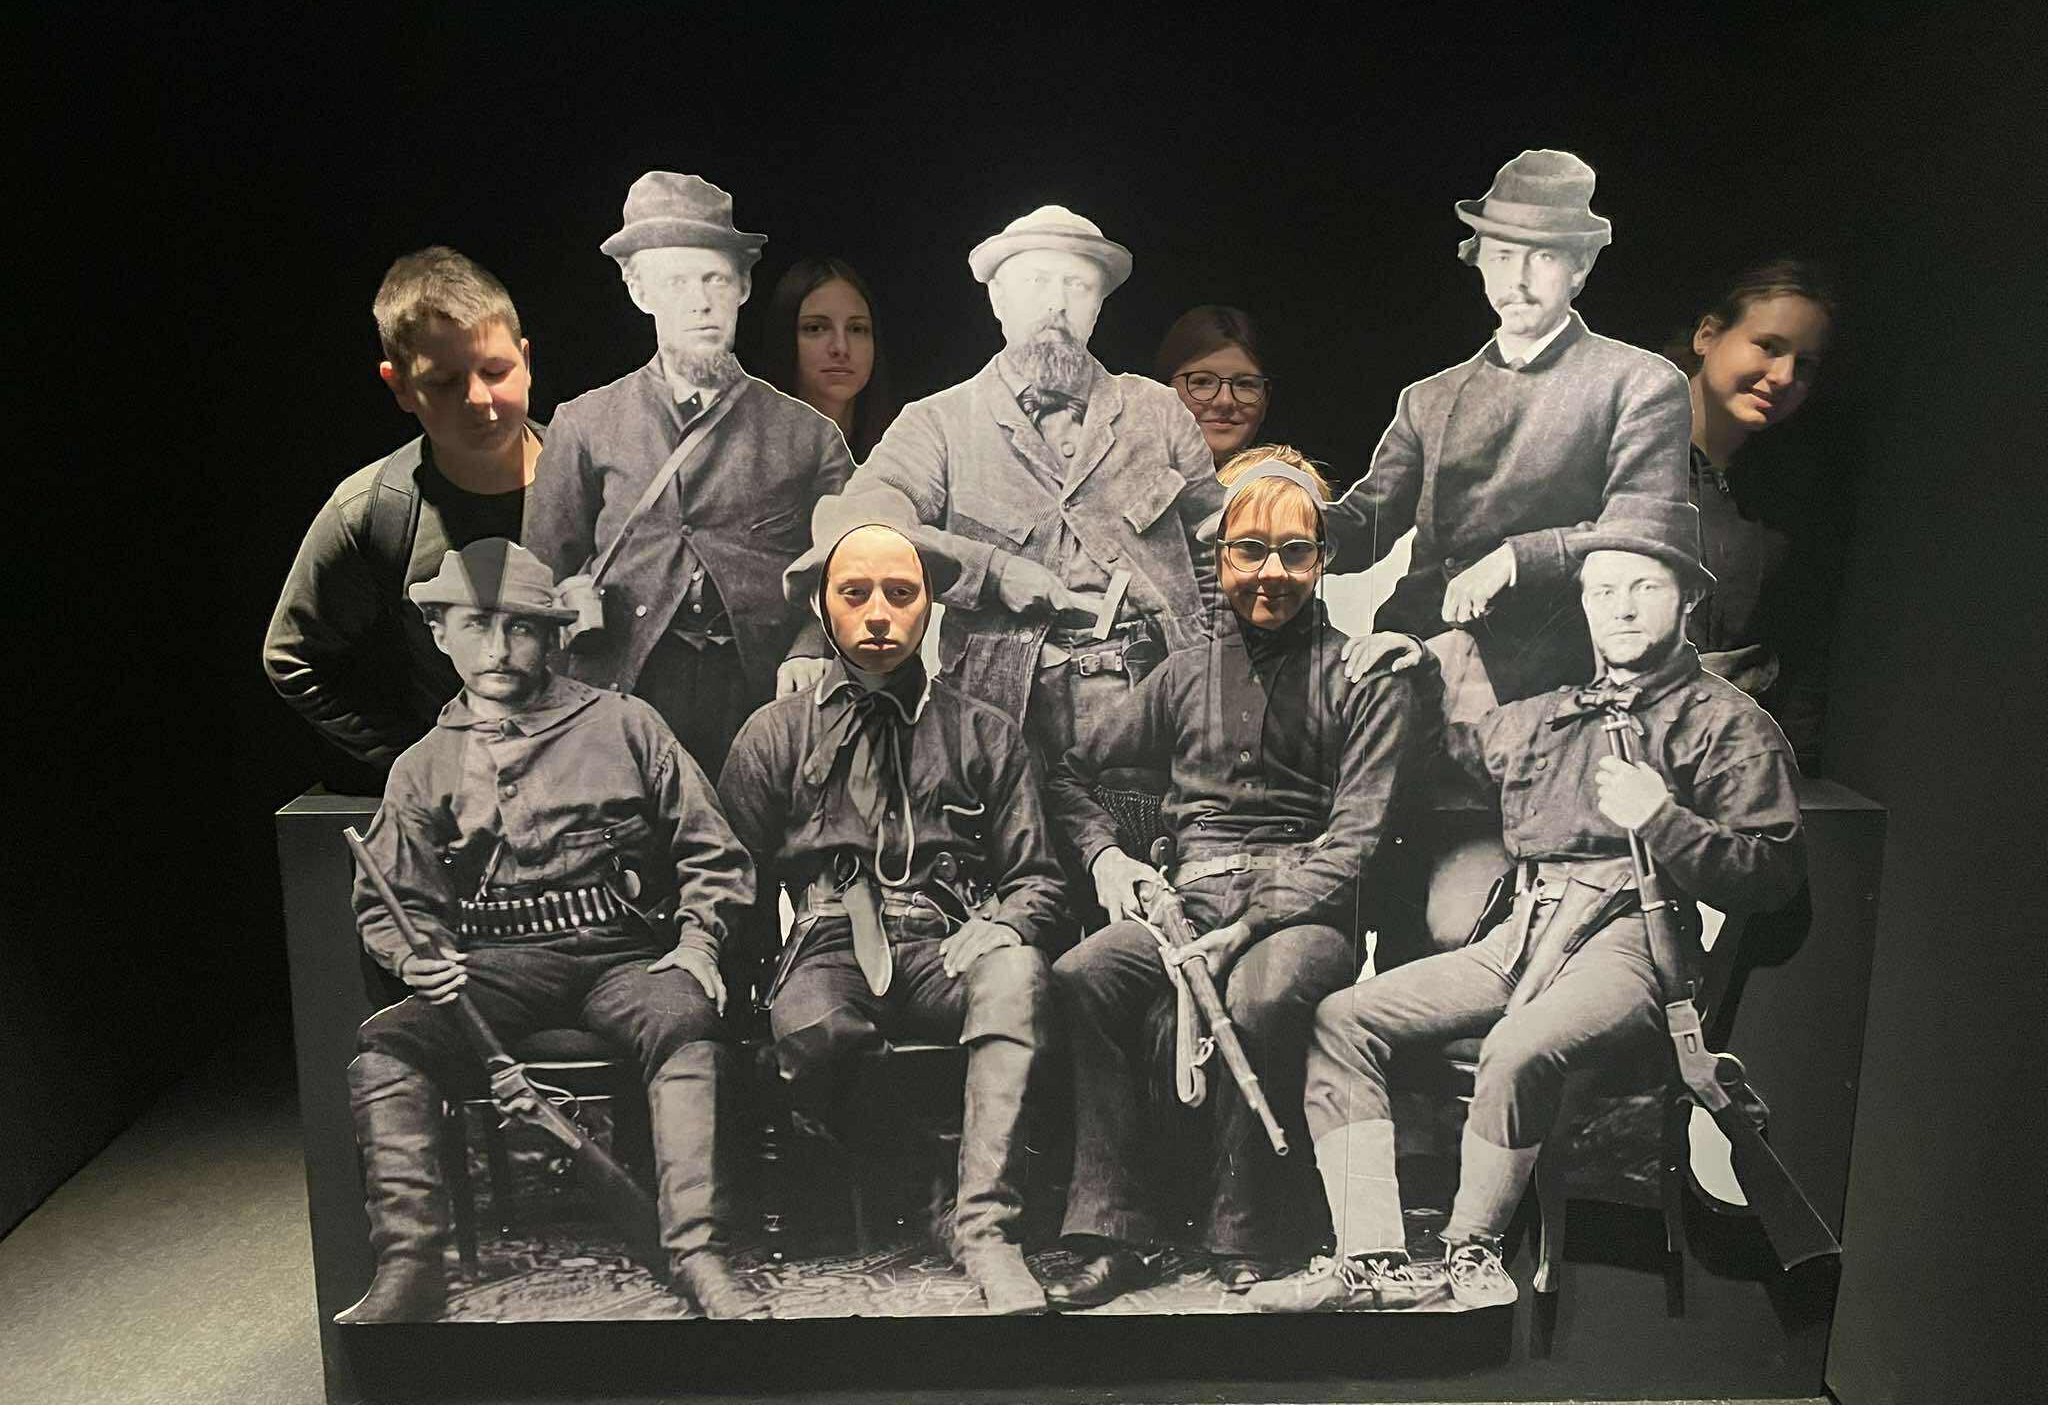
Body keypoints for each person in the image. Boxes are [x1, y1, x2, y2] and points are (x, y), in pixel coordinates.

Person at [1249, 500, 1806, 1314]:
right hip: (1523, 933)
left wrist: (1663, 818)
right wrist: (1416, 667)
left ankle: (1472, 1251)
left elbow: (1773, 875)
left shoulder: (1728, 726)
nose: (1620, 608)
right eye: (1603, 590)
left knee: (1517, 1048)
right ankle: (1370, 1260)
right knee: (1343, 1019)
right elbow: (1448, 754)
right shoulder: (1553, 716)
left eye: (1644, 588)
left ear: (1687, 598)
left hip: (1632, 947)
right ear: (1583, 602)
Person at [1033, 447, 1438, 1309]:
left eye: (1295, 552)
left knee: (1261, 994)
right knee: (1082, 976)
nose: (1270, 573)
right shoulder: (1183, 674)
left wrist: (1250, 923)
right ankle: (1114, 1231)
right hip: (1183, 903)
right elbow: (1068, 773)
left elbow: (1356, 841)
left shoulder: (1363, 676)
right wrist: (1109, 859)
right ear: (1220, 559)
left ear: (1324, 559)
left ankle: (1243, 1232)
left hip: (1306, 911)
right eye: (1249, 550)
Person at [339, 539, 761, 1323]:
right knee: (387, 1049)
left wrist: (698, 941)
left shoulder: (625, 724)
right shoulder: (422, 767)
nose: (498, 649)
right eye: (476, 625)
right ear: (439, 632)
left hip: (621, 957)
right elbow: (395, 901)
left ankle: (697, 1253)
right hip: (495, 966)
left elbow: (712, 850)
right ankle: (410, 1265)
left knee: (686, 1022)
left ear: (554, 636)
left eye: (522, 627)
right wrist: (416, 957)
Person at [717, 490, 1069, 1314]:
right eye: (855, 593)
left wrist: (1003, 925)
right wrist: (743, 988)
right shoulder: (775, 734)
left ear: (931, 604)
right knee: (811, 1028)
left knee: (1017, 977)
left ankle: (986, 1229)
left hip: (948, 943)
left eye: (901, 593)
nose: (878, 613)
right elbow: (735, 878)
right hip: (828, 942)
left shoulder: (984, 732)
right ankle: (928, 1188)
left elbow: (1039, 877)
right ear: (821, 606)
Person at [840, 204, 1224, 787]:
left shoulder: (1160, 413)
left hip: (1159, 710)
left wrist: (1215, 681)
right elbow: (865, 530)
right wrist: (993, 573)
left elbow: (1222, 554)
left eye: (1077, 286)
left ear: (1098, 305)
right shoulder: (938, 423)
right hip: (1002, 718)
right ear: (998, 299)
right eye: (1036, 282)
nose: (1056, 304)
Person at [1324, 149, 1693, 713]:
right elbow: (1366, 524)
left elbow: (1642, 530)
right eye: (1501, 256)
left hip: (1553, 671)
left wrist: (1517, 558)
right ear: (1479, 263)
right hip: (1411, 651)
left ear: (1579, 267)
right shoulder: (1429, 398)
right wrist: (1274, 522)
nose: (1516, 281)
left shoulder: (1641, 382)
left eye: (1541, 256)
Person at [525, 171, 854, 782]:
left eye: (715, 279)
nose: (700, 301)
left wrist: (812, 646)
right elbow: (539, 581)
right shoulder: (585, 423)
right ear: (638, 290)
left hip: (761, 699)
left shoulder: (809, 437)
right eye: (677, 281)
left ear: (743, 287)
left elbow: (852, 568)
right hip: (621, 693)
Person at [264, 247, 545, 782]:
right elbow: (292, 656)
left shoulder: (607, 482)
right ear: (400, 386)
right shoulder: (374, 510)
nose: (479, 399)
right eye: (443, 382)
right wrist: (417, 764)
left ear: (526, 361)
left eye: (496, 370)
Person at [1675, 259, 1839, 772]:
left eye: (1805, 364)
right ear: (1707, 335)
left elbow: (1802, 643)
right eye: (1768, 346)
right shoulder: (1610, 449)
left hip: (1730, 761)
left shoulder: (1794, 489)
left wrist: (1797, 771)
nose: (1784, 377)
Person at [762, 256, 897, 461]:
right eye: (816, 328)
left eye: (856, 329)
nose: (841, 348)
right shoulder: (745, 457)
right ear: (785, 338)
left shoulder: (905, 455)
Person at [1155, 304, 1273, 467]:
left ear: (1266, 399)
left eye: (1245, 384)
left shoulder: (1288, 482)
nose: (1225, 401)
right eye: (1202, 382)